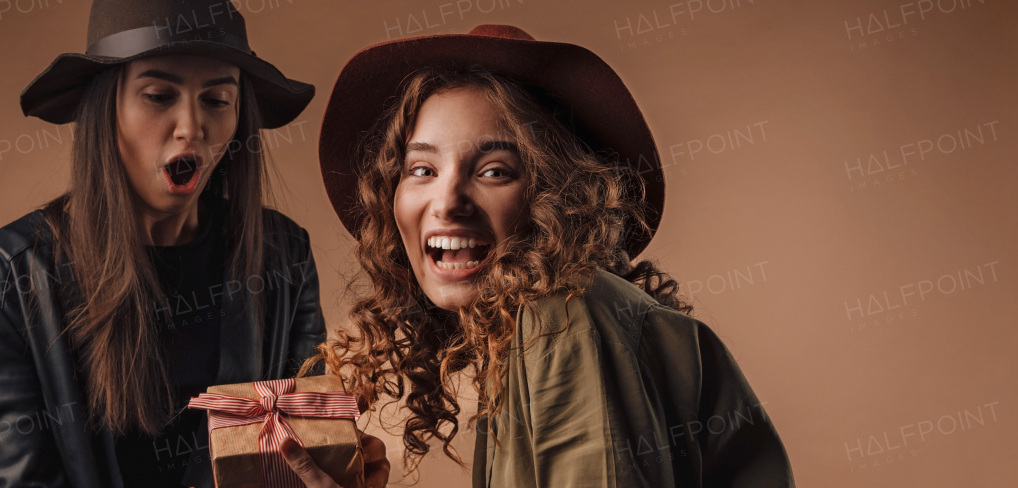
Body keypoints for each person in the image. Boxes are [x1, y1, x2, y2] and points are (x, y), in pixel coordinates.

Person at [313, 24, 795, 487]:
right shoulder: (532, 331)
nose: (446, 202)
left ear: (558, 198)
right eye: (422, 169)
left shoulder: (563, 318)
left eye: (495, 171)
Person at [0, 1, 387, 487]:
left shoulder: (283, 255)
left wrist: (335, 469)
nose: (191, 127)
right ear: (107, 110)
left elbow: (290, 458)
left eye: (216, 100)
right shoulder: (2, 280)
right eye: (159, 95)